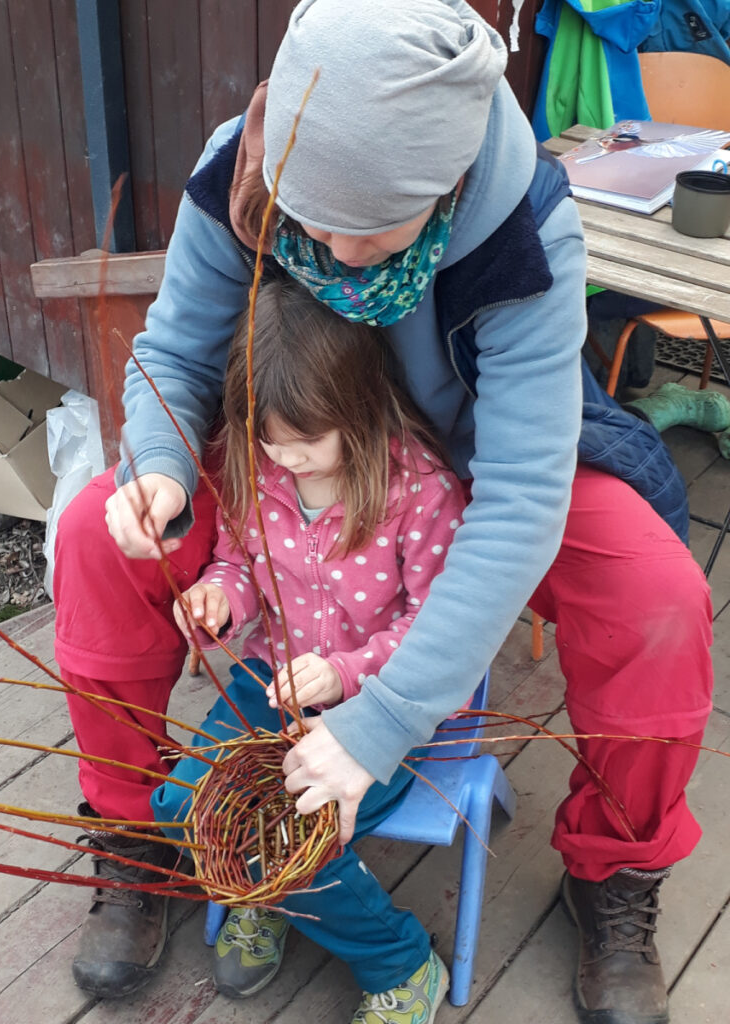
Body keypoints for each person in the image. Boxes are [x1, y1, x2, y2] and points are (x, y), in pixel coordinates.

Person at [53, 2, 714, 1022]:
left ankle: (615, 868)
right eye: (311, 222)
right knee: (96, 540)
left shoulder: (523, 223)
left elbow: (522, 496)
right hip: (291, 448)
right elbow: (175, 355)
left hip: (474, 449)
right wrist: (163, 471)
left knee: (656, 597)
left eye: (372, 229)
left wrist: (387, 718)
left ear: (445, 186)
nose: (334, 251)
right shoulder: (242, 174)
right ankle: (136, 836)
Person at [150, 278, 466, 1008]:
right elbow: (237, 564)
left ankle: (401, 963)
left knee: (297, 835)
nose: (285, 458)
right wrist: (218, 599)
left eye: (306, 441)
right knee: (182, 807)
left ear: (360, 406)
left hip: (383, 708)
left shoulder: (419, 491)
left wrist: (346, 671)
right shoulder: (256, 469)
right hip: (269, 684)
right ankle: (266, 886)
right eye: (270, 439)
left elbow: (440, 627)